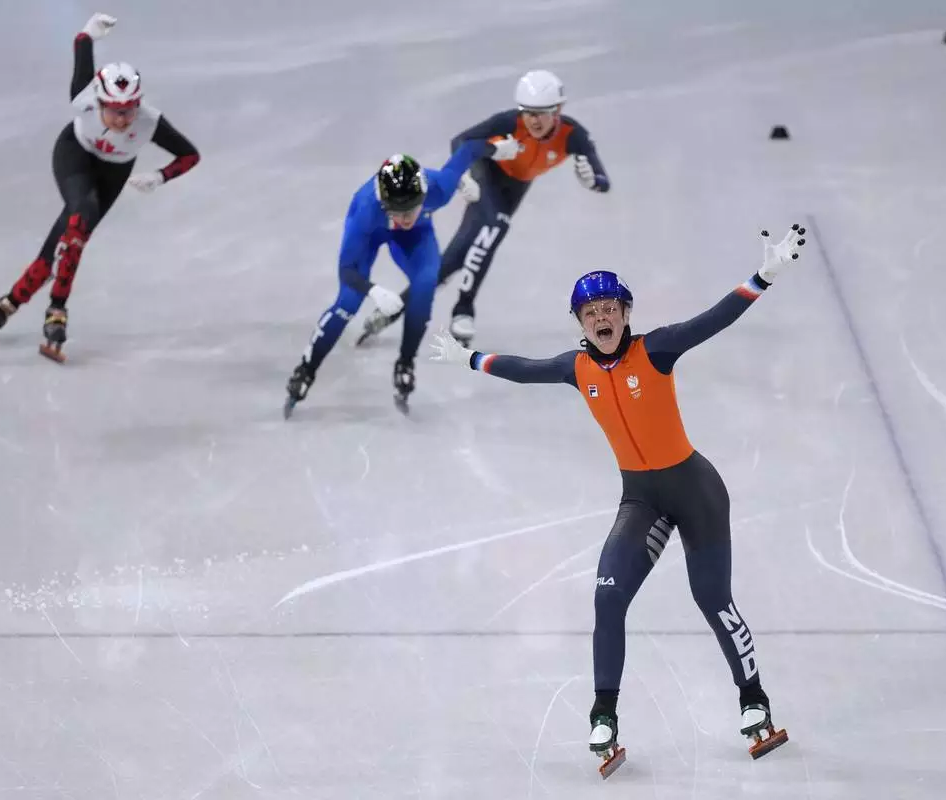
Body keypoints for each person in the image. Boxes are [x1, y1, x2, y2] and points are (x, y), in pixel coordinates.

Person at [429, 226, 807, 776]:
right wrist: (468, 359)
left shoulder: (656, 349)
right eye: (590, 313)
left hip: (696, 492)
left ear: (626, 314)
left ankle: (753, 700)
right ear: (580, 325)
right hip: (642, 500)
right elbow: (523, 369)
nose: (601, 319)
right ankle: (604, 712)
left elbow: (713, 319)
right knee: (607, 597)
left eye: (610, 308)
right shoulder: (575, 368)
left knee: (711, 599)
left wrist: (763, 277)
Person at [0, 12, 200, 361]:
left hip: (112, 175)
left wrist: (160, 176)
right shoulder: (82, 97)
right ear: (98, 100)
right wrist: (89, 33)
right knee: (81, 214)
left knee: (67, 238)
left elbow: (190, 155)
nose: (123, 118)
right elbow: (81, 46)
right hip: (74, 156)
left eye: (129, 109)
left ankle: (11, 301)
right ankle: (57, 310)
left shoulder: (150, 123)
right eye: (113, 109)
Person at [357, 69, 609, 349]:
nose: (533, 120)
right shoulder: (509, 123)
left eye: (541, 112)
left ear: (558, 110)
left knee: (454, 258)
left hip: (515, 190)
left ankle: (395, 309)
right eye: (527, 112)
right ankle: (464, 308)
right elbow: (460, 142)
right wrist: (463, 177)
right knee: (494, 228)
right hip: (486, 177)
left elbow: (602, 179)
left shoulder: (574, 135)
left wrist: (592, 181)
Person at [283, 136, 520, 417]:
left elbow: (469, 150)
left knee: (425, 283)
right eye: (397, 211)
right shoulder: (365, 211)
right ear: (384, 204)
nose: (405, 217)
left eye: (412, 208)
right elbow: (347, 272)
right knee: (348, 301)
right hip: (372, 235)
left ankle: (406, 363)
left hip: (416, 237)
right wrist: (372, 290)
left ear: (423, 195)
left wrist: (499, 149)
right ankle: (306, 369)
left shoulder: (439, 189)